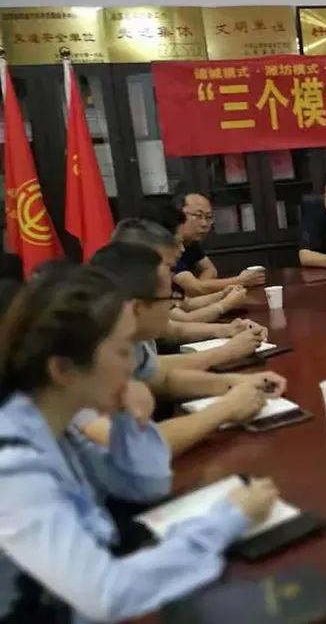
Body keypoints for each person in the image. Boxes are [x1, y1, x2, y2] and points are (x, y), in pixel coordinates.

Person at [0, 265, 279, 622]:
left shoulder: (59, 423)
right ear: (63, 370)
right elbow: (107, 593)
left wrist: (127, 420)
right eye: (121, 351)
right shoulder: (14, 463)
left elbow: (145, 484)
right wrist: (227, 520)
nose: (134, 365)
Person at [81, 243, 284, 455]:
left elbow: (162, 379)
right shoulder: (84, 353)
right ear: (138, 307)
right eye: (169, 298)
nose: (173, 308)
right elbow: (136, 448)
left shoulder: (121, 336)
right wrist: (226, 409)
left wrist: (238, 382)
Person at [111, 219, 267, 370]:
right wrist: (229, 351)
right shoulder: (112, 312)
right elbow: (156, 372)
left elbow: (172, 329)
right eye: (169, 267)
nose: (182, 250)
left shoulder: (137, 291)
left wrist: (229, 329)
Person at [173, 192, 266, 296]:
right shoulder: (166, 245)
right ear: (178, 215)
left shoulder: (190, 242)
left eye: (209, 217)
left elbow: (210, 269)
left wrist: (200, 289)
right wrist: (241, 280)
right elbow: (195, 288)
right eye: (198, 216)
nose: (204, 224)